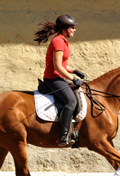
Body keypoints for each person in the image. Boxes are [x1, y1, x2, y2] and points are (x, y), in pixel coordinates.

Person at [34, 14, 85, 147]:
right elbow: (57, 67)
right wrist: (73, 79)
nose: (74, 30)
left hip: (58, 76)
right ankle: (63, 137)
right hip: (53, 78)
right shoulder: (58, 41)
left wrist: (75, 71)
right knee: (71, 101)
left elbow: (63, 65)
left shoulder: (63, 41)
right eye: (72, 27)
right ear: (64, 28)